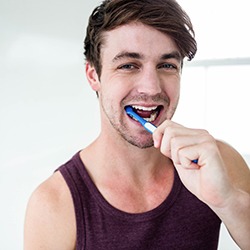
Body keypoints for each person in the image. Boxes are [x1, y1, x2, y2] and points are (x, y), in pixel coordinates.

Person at [24, 0, 250, 249]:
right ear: (93, 75)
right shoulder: (53, 204)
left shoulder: (220, 163)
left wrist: (227, 200)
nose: (152, 88)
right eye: (128, 65)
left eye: (166, 65)